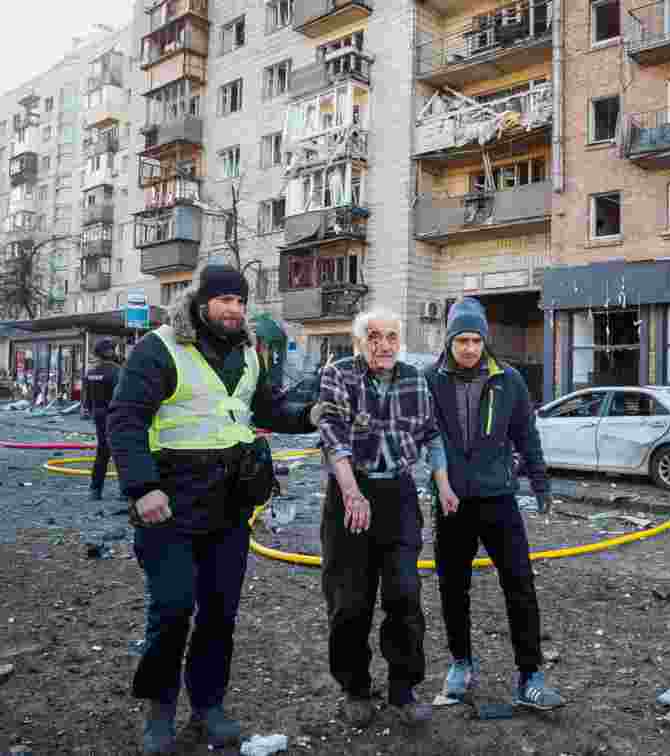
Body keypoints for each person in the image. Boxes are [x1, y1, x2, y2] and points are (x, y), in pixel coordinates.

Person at [107, 265, 319, 755]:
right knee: (174, 608)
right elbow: (126, 419)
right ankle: (159, 711)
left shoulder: (248, 353)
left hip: (229, 506)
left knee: (219, 614)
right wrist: (142, 489)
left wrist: (307, 417)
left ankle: (208, 707)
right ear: (201, 302)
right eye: (225, 300)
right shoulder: (158, 349)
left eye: (241, 302)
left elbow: (262, 410)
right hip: (170, 505)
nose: (234, 310)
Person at [425, 298, 564, 710]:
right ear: (450, 340)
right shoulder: (430, 380)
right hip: (452, 503)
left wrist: (540, 485)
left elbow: (527, 437)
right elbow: (421, 437)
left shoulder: (510, 381)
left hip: (500, 499)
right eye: (462, 340)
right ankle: (460, 663)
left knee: (520, 585)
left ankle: (530, 675)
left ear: (485, 340)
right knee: (453, 588)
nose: (469, 348)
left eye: (476, 340)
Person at [317, 310, 441, 728]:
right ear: (359, 343)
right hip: (350, 490)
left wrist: (444, 483)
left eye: (390, 337)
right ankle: (354, 687)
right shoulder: (339, 374)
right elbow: (332, 434)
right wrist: (353, 493)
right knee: (349, 601)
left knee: (405, 595)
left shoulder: (414, 378)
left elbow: (429, 433)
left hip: (399, 494)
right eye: (373, 337)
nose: (383, 345)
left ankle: (403, 689)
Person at [83, 337, 122, 500]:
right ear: (110, 352)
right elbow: (121, 396)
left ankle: (95, 489)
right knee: (122, 453)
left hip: (98, 417)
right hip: (115, 416)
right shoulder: (118, 372)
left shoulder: (90, 373)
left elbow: (86, 401)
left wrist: (92, 412)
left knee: (102, 452)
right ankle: (125, 492)